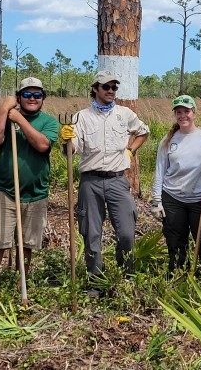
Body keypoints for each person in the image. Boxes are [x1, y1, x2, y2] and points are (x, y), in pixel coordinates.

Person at [59, 70, 150, 296]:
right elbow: (71, 151)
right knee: (91, 234)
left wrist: (130, 151)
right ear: (95, 89)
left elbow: (143, 132)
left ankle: (125, 276)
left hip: (118, 180)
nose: (111, 91)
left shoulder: (124, 114)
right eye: (106, 87)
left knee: (127, 233)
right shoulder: (81, 117)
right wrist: (66, 139)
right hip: (90, 181)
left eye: (114, 87)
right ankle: (96, 281)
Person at [0, 77, 59, 294]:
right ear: (19, 96)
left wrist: (19, 120)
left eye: (37, 95)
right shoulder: (7, 118)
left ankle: (20, 285)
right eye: (27, 94)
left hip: (36, 193)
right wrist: (4, 110)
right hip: (5, 191)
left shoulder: (49, 122)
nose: (32, 99)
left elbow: (42, 145)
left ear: (43, 98)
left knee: (26, 244)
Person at [151, 95, 201, 273]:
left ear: (194, 113)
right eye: (179, 112)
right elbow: (160, 171)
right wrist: (156, 201)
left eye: (187, 111)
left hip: (200, 198)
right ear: (175, 115)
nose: (183, 115)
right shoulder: (167, 141)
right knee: (175, 241)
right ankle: (176, 273)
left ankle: (200, 275)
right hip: (173, 198)